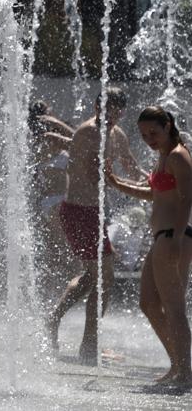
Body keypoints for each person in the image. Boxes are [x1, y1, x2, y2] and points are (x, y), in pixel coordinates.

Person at [46, 88, 144, 365]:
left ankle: (54, 319)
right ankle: (88, 346)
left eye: (116, 109)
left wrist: (157, 179)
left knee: (94, 277)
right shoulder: (88, 133)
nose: (110, 114)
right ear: (97, 106)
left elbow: (130, 166)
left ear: (121, 111)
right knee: (104, 278)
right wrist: (145, 189)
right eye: (105, 108)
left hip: (94, 213)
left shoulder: (118, 134)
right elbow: (98, 175)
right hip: (78, 212)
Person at [107, 106, 192, 386]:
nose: (149, 139)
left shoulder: (179, 156)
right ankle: (178, 366)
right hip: (164, 237)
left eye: (153, 133)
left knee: (174, 307)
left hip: (173, 236)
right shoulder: (163, 157)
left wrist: (177, 238)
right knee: (149, 303)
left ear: (168, 125)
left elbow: (187, 199)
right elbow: (155, 194)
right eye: (144, 135)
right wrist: (117, 183)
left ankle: (185, 373)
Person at [27, 100, 77, 296]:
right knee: (68, 252)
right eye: (49, 112)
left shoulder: (48, 139)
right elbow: (81, 141)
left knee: (54, 253)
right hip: (55, 203)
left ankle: (50, 295)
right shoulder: (45, 139)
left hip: (53, 203)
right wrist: (56, 123)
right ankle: (68, 294)